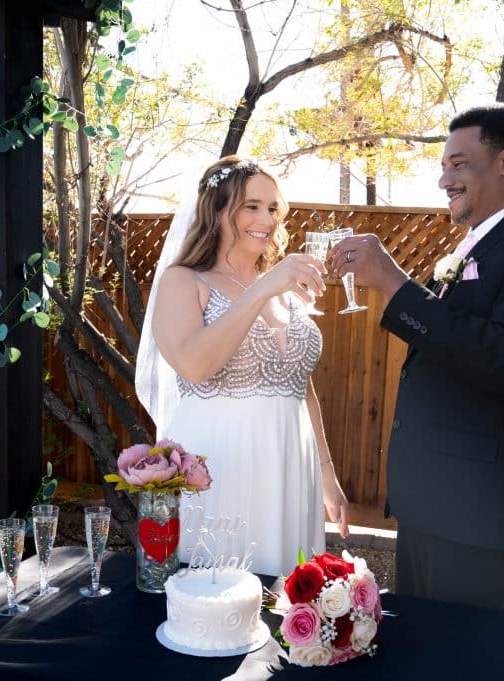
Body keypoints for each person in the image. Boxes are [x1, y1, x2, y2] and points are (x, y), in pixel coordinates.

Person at [329, 104, 504, 612]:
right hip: (434, 508)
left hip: (484, 518)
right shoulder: (475, 247)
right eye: (445, 166)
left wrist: (394, 284)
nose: (444, 178)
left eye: (458, 164)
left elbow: (503, 359)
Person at [135, 156, 349, 578]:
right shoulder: (184, 281)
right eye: (252, 206)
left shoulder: (287, 290)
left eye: (273, 208)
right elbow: (195, 366)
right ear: (217, 211)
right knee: (218, 593)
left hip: (291, 462)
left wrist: (327, 474)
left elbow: (299, 385)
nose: (266, 219)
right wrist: (262, 289)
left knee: (287, 598)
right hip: (221, 461)